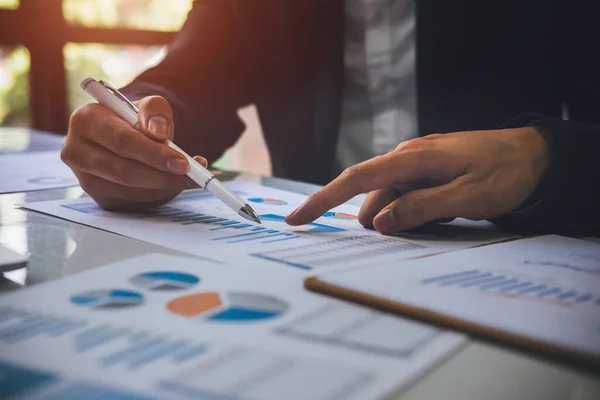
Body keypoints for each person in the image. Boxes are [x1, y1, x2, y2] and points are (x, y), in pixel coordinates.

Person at [61, 1, 600, 236]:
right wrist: (132, 128)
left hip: (508, 242)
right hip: (319, 251)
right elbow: (191, 77)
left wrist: (548, 154)